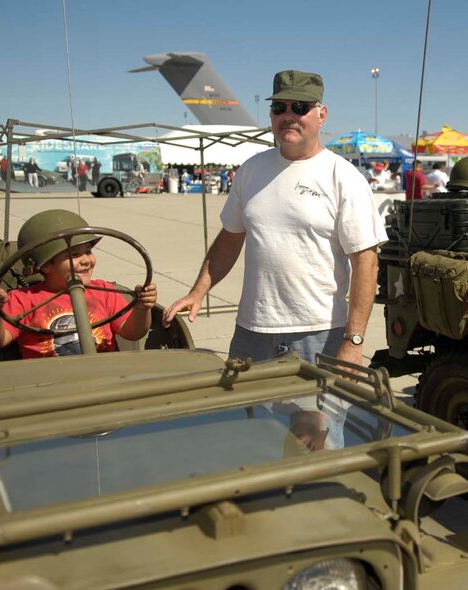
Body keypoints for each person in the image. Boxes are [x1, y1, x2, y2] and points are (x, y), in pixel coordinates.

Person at [163, 69, 387, 450]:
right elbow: (230, 238)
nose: (288, 116)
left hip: (319, 335)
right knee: (248, 436)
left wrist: (353, 342)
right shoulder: (252, 170)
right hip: (252, 334)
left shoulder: (342, 177)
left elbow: (365, 262)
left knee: (318, 444)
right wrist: (198, 291)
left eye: (299, 107)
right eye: (279, 107)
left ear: (321, 114)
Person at [0, 210, 157, 359]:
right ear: (46, 265)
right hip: (51, 388)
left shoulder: (105, 291)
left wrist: (142, 308)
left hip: (103, 378)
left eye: (88, 251)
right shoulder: (23, 300)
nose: (86, 260)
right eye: (74, 255)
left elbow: (133, 333)